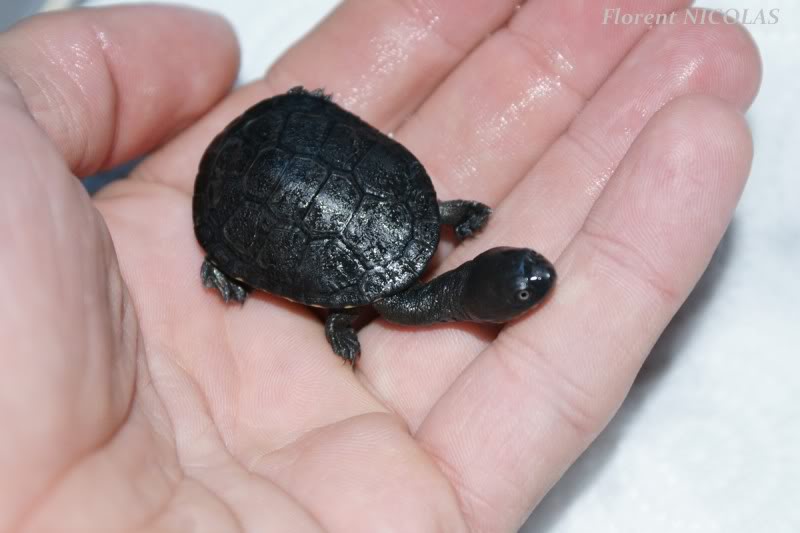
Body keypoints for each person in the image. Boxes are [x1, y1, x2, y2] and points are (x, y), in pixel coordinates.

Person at [0, 2, 759, 531]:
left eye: (518, 274)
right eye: (523, 276)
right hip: (248, 199)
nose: (529, 278)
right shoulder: (409, 265)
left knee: (379, 289)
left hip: (297, 134)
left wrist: (438, 222)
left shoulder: (425, 223)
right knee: (369, 297)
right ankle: (233, 265)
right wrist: (283, 283)